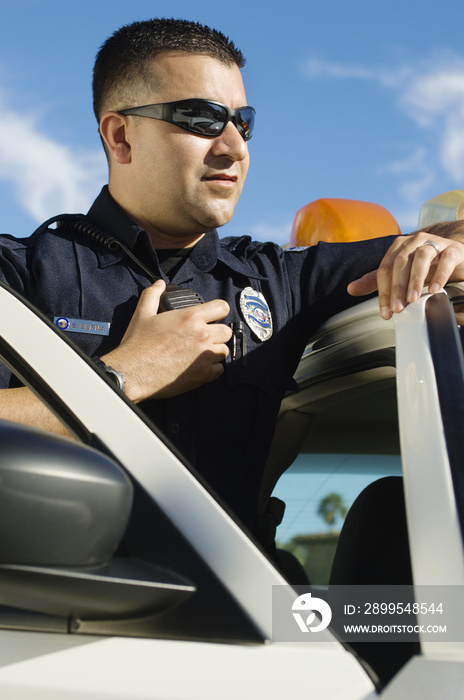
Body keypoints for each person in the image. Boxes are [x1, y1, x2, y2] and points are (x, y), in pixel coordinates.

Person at [1, 18, 464, 539]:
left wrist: (446, 245)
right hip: (54, 614)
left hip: (242, 613)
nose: (233, 147)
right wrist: (123, 377)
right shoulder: (16, 278)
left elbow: (445, 240)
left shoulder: (281, 280)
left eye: (242, 123)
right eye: (200, 118)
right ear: (121, 135)